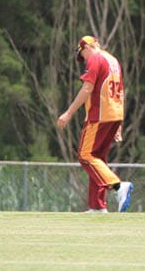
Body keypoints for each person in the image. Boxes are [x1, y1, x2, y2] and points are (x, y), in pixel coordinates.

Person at [56, 35, 133, 213]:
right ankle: (97, 206)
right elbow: (120, 92)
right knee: (98, 159)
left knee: (85, 155)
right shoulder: (113, 60)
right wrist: (119, 123)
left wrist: (68, 113)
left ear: (87, 47)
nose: (83, 60)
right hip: (114, 114)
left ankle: (119, 186)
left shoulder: (95, 59)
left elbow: (87, 88)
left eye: (82, 55)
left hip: (99, 116)